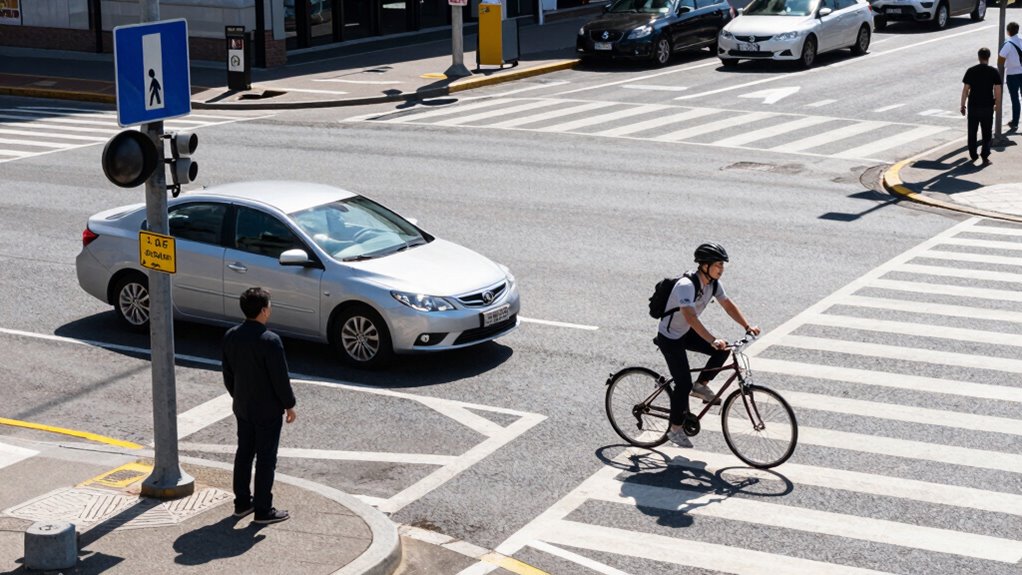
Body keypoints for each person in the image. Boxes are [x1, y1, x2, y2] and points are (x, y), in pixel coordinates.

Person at [655, 243, 760, 448]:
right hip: (670, 337)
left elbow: (728, 305)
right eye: (718, 264)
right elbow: (690, 316)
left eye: (722, 264)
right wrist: (712, 339)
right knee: (682, 383)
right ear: (704, 265)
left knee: (724, 350)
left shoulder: (713, 284)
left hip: (685, 331)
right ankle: (675, 430)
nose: (721, 268)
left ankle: (700, 385)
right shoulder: (686, 285)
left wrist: (747, 326)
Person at [222, 287, 297, 524]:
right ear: (264, 310)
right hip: (267, 410)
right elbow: (279, 378)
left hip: (243, 406)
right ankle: (263, 509)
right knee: (266, 459)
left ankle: (242, 503)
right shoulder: (270, 341)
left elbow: (228, 375)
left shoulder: (231, 335)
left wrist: (238, 396)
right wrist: (289, 405)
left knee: (244, 453)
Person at [961, 47, 1002, 165]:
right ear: (988, 57)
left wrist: (962, 105)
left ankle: (973, 155)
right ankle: (985, 156)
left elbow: (965, 90)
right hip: (987, 107)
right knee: (987, 132)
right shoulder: (994, 72)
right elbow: (998, 90)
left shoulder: (971, 70)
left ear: (978, 57)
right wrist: (997, 106)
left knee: (972, 132)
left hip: (973, 106)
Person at [997, 22, 1022, 130]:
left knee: (1015, 99)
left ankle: (1015, 122)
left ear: (1008, 31)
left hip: (1013, 74)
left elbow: (1001, 59)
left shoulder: (1008, 43)